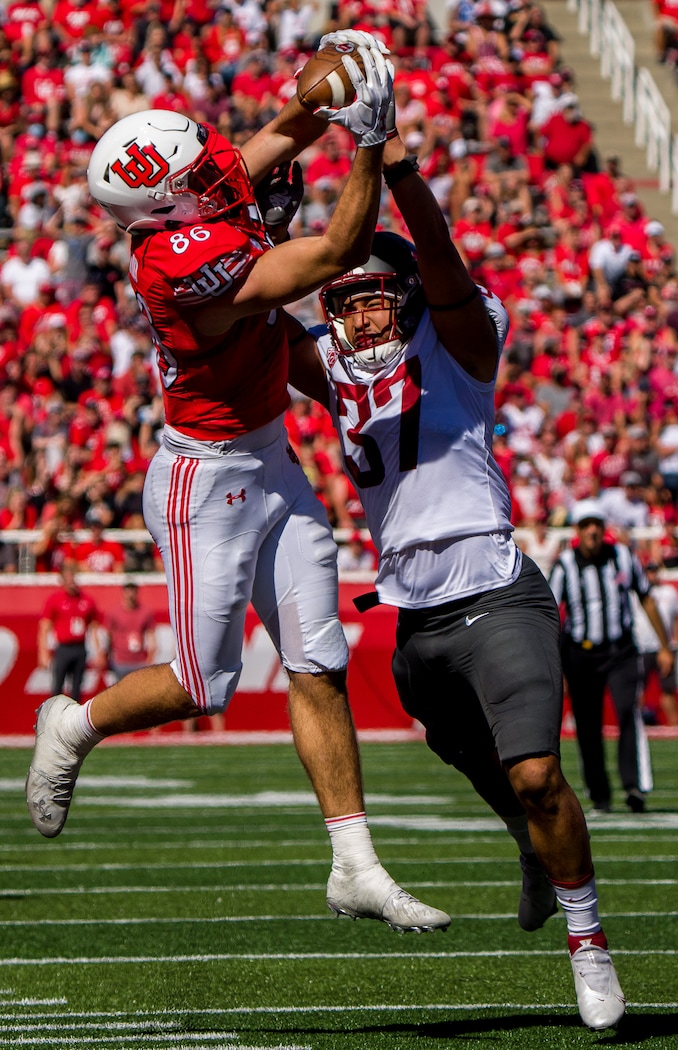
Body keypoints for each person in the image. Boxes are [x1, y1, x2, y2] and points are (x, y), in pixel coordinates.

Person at [26, 33, 450, 935]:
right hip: (203, 481)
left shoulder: (192, 199)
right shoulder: (183, 268)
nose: (224, 169)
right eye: (201, 172)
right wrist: (369, 141)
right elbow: (335, 252)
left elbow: (287, 124)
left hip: (269, 460)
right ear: (163, 200)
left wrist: (348, 72)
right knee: (200, 681)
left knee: (320, 661)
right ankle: (75, 722)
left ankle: (355, 864)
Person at [285, 125, 626, 1030]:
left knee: (538, 774)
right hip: (415, 617)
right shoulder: (343, 376)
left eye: (373, 299)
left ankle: (588, 943)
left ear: (408, 300)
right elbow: (249, 322)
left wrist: (395, 169)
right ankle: (527, 846)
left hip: (496, 590)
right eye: (343, 303)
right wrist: (252, 231)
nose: (358, 319)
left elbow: (438, 260)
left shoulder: (459, 346)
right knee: (465, 754)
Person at [548, 499, 674, 815]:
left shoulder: (623, 557)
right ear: (577, 530)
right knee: (587, 726)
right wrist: (554, 664)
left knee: (627, 712)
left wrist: (664, 645)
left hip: (620, 651)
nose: (593, 531)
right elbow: (551, 614)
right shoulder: (565, 564)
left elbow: (646, 598)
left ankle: (634, 787)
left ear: (604, 529)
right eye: (586, 525)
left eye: (597, 525)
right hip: (580, 653)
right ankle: (599, 794)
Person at [37, 560, 106, 702]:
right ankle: (54, 720)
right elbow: (44, 627)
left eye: (72, 577)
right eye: (67, 577)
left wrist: (99, 651)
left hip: (80, 648)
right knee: (57, 688)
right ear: (62, 580)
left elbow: (94, 627)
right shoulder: (55, 600)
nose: (71, 581)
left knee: (77, 689)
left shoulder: (86, 600)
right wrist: (43, 652)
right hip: (63, 648)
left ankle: (74, 723)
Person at [633, 561, 678, 727]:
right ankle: (635, 725)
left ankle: (674, 726)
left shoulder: (669, 592)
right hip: (641, 646)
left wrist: (674, 642)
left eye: (654, 571)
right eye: (649, 571)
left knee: (667, 688)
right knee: (638, 689)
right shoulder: (635, 593)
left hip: (663, 647)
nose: (652, 574)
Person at [103, 580, 157, 681]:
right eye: (128, 591)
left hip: (139, 661)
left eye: (133, 591)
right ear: (123, 593)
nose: (130, 595)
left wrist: (151, 656)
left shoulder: (145, 612)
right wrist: (105, 655)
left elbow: (151, 635)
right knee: (121, 693)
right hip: (121, 660)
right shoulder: (114, 612)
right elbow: (108, 635)